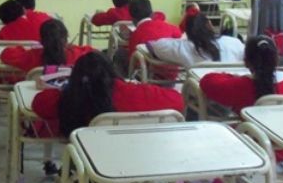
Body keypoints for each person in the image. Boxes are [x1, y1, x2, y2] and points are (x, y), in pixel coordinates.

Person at [199, 36, 283, 171]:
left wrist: (232, 77)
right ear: (277, 58)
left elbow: (207, 81)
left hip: (251, 156)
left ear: (246, 62)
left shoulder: (239, 86)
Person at [31, 52, 184, 137]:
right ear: (112, 71)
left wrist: (66, 89)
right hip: (144, 177)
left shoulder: (71, 99)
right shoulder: (140, 93)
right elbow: (178, 100)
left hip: (89, 179)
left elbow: (38, 104)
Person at [148, 13, 245, 67]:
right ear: (210, 25)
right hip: (234, 93)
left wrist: (182, 40)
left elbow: (157, 46)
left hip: (201, 96)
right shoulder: (233, 42)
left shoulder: (183, 47)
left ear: (187, 31)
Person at [0, 19, 95, 72]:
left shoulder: (32, 56)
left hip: (39, 100)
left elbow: (5, 55)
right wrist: (74, 47)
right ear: (66, 38)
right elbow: (96, 54)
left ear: (41, 41)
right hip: (71, 100)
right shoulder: (79, 54)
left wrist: (21, 49)